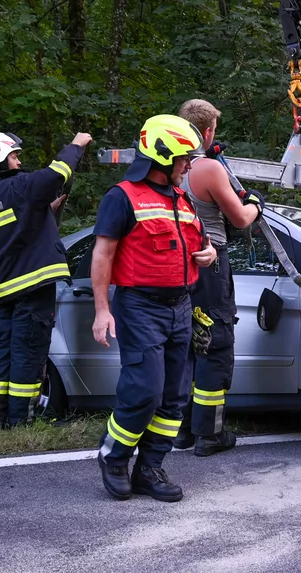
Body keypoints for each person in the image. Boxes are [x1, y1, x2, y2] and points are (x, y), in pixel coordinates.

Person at [91, 114, 218, 502]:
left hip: (181, 306)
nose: (188, 166)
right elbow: (103, 254)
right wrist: (101, 310)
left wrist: (209, 253)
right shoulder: (122, 197)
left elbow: (200, 243)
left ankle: (150, 467)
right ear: (162, 157)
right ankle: (114, 458)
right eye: (183, 159)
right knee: (143, 389)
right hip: (139, 306)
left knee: (175, 395)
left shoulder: (181, 198)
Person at [0, 129, 91, 428]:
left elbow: (11, 234)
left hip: (2, 292)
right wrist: (76, 145)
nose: (18, 161)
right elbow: (56, 174)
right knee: (29, 354)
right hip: (32, 286)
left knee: (4, 354)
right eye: (13, 155)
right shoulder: (18, 186)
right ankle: (22, 422)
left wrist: (45, 213)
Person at [172, 99, 263, 457]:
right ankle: (210, 433)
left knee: (185, 344)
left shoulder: (172, 167)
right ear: (208, 131)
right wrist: (256, 202)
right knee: (215, 342)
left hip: (177, 264)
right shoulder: (208, 168)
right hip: (210, 264)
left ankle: (180, 430)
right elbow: (241, 218)